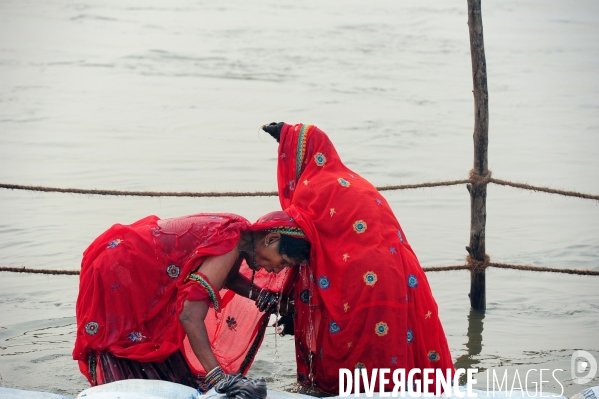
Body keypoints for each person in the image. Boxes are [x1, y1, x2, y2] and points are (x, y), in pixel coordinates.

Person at [261, 122, 455, 395]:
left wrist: (289, 301)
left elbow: (306, 249)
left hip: (358, 280)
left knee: (351, 354)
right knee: (393, 343)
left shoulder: (308, 189)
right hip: (399, 273)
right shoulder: (356, 180)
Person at [72, 211, 310, 396]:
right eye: (283, 261)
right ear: (270, 238)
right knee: (129, 345)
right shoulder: (231, 242)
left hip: (128, 263)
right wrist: (218, 377)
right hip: (120, 271)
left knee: (155, 349)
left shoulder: (239, 236)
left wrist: (264, 298)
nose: (278, 269)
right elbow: (189, 315)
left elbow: (225, 277)